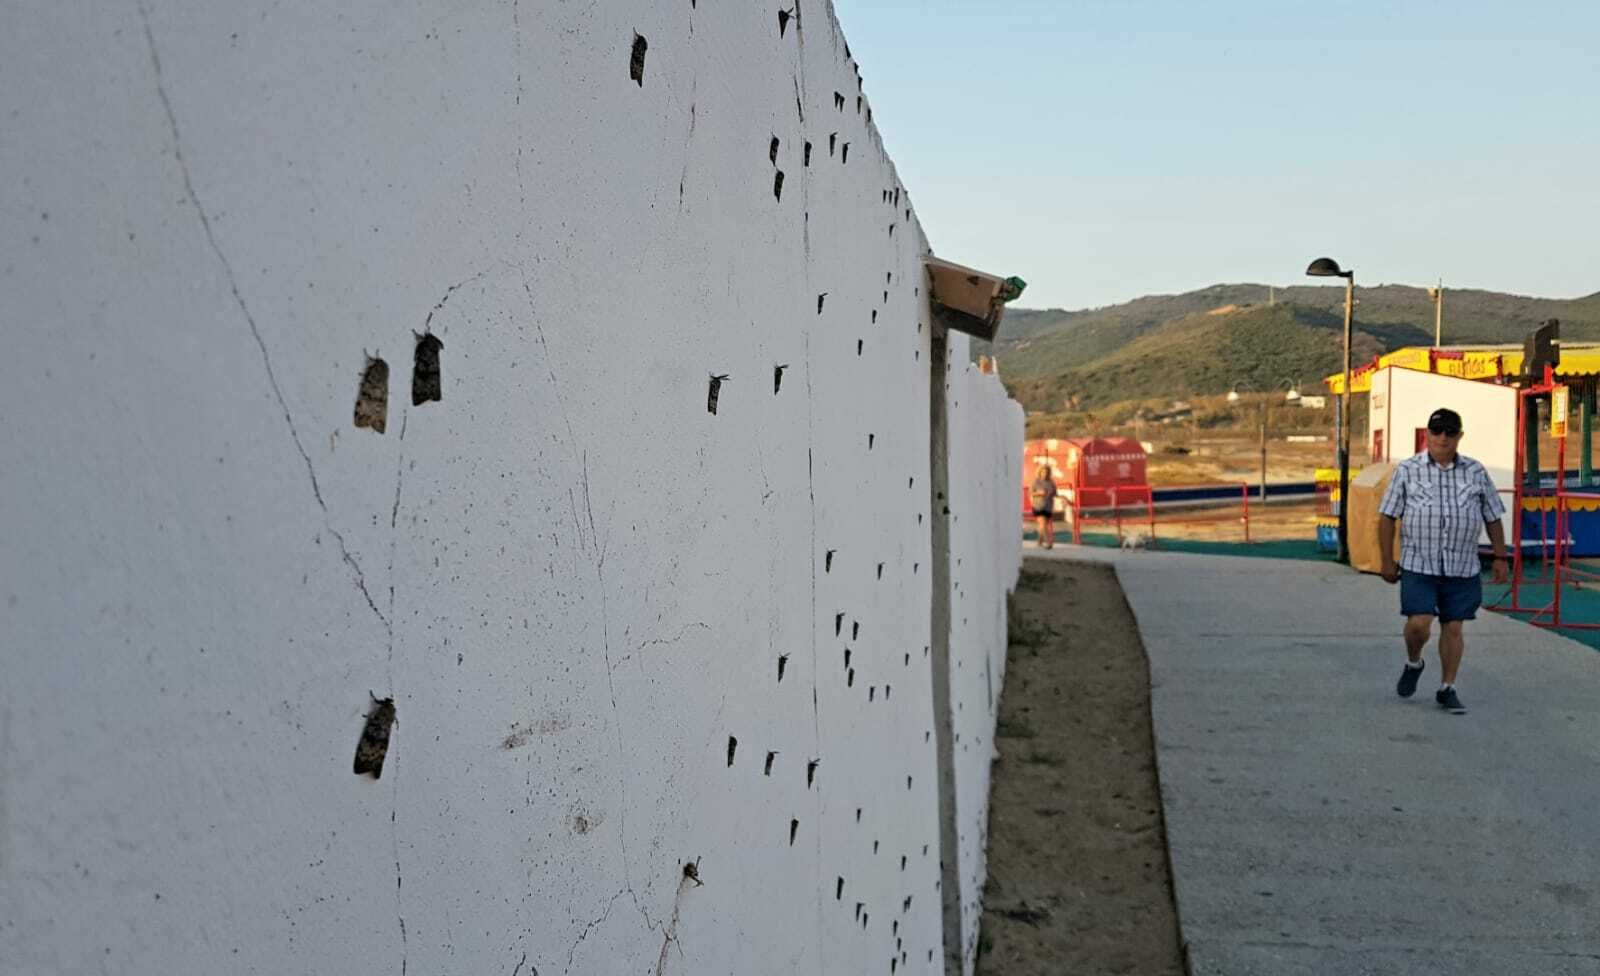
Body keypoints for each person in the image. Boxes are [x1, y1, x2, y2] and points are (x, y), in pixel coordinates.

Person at [1377, 407, 1509, 714]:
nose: (1443, 438)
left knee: (1453, 628)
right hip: (1419, 564)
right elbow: (1386, 517)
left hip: (1462, 567)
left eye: (1450, 432)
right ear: (1427, 434)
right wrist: (1386, 559)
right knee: (1418, 625)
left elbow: (1493, 516)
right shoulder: (1408, 470)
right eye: (1437, 432)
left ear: (1460, 436)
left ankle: (1447, 687)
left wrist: (1501, 557)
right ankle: (1414, 662)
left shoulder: (1475, 471)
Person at [1030, 464, 1058, 549]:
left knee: (1043, 525)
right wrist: (1039, 493)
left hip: (1048, 506)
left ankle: (1039, 541)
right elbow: (1031, 492)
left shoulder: (1051, 482)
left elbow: (1055, 493)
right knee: (1043, 524)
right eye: (1043, 472)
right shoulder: (1036, 481)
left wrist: (1063, 498)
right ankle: (1048, 542)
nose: (1044, 474)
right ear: (1040, 472)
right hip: (1038, 505)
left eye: (1046, 472)